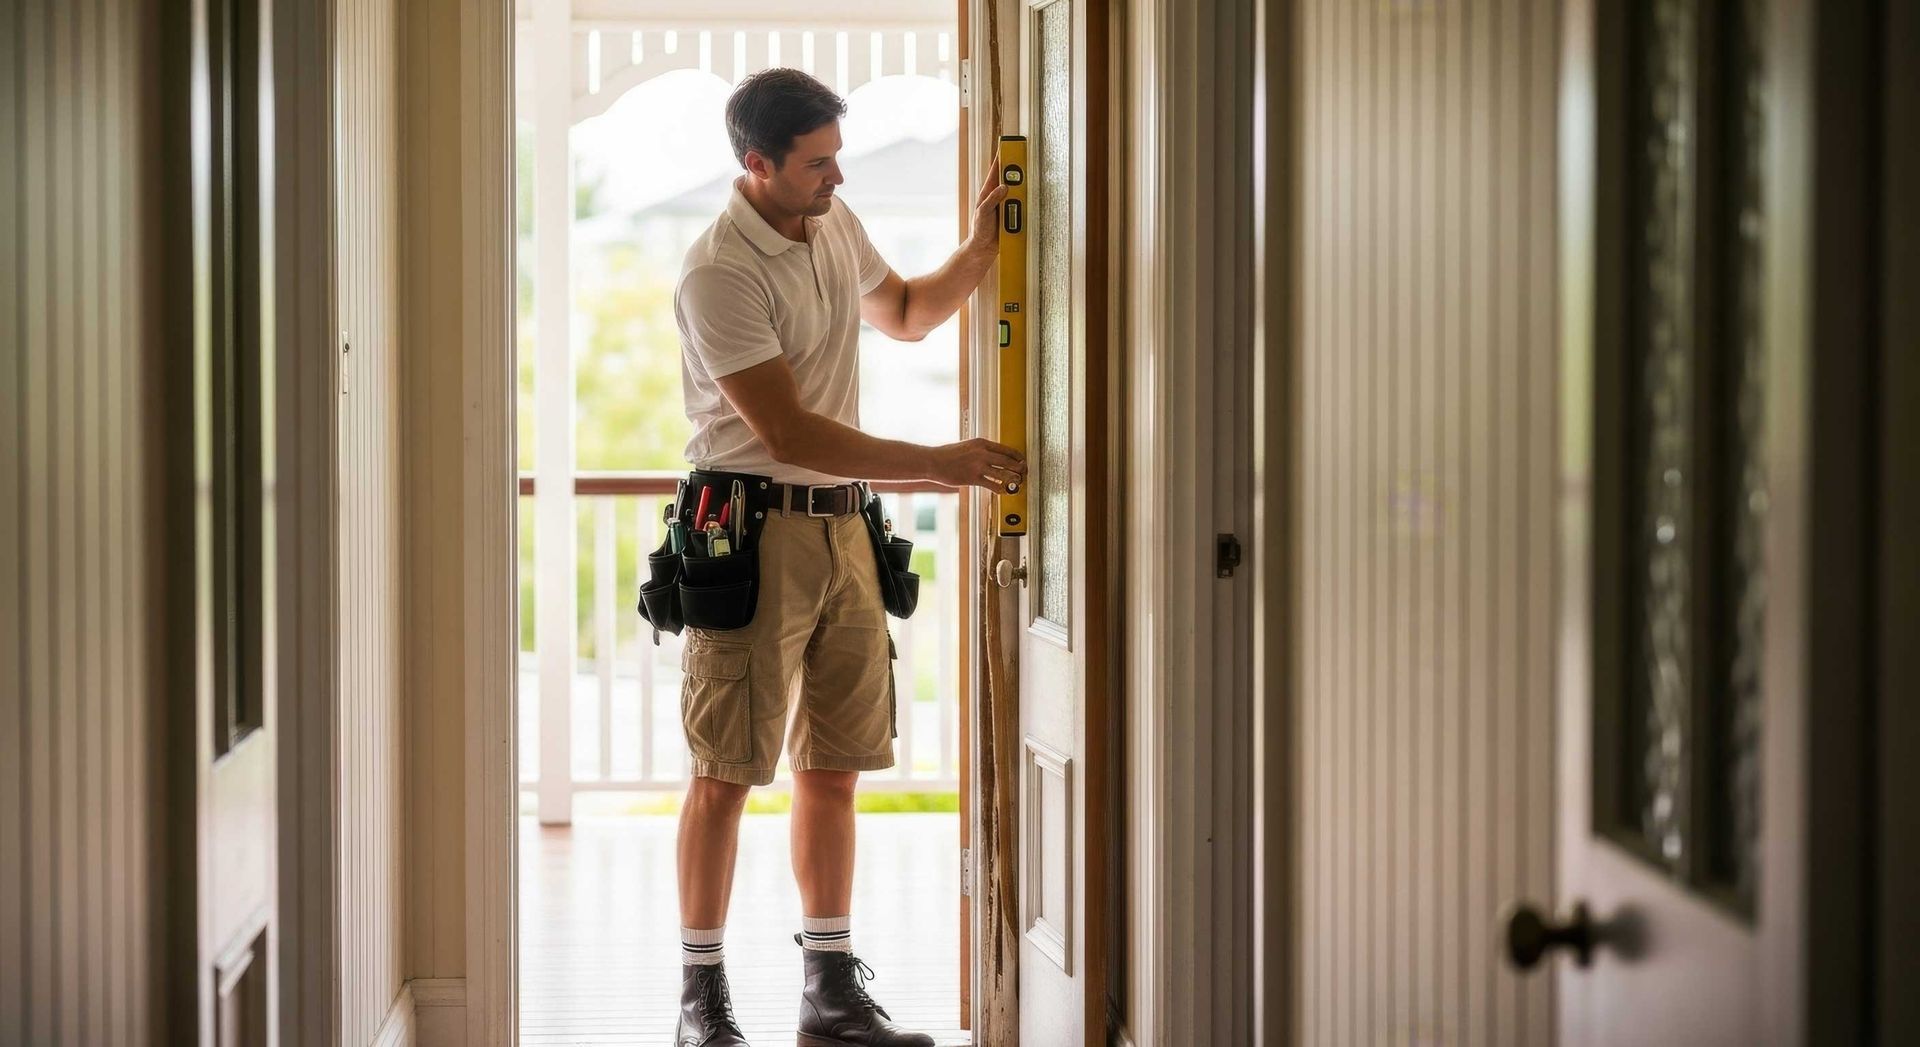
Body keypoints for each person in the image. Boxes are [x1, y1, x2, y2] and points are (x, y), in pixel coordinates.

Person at [670, 67, 1026, 1047]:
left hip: (842, 530)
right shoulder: (719, 270)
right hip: (746, 530)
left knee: (835, 764)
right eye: (817, 164)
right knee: (726, 770)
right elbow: (786, 430)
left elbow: (906, 312)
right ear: (757, 165)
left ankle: (829, 994)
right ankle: (701, 1001)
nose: (837, 178)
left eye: (839, 158)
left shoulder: (833, 224)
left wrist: (983, 247)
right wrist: (940, 466)